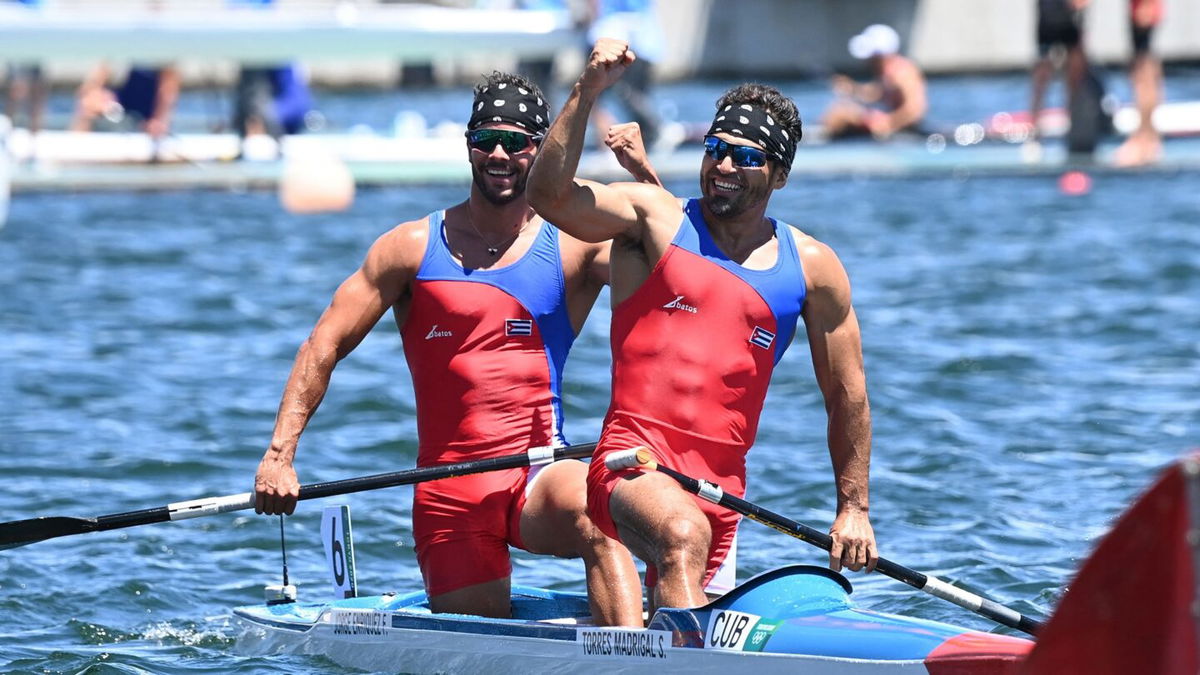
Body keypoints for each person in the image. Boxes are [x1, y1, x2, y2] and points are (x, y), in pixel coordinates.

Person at [253, 70, 657, 626]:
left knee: (598, 515)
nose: (499, 153)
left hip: (537, 471)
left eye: (516, 143)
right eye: (485, 139)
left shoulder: (574, 248)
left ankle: (630, 660)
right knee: (478, 641)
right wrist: (279, 456)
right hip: (446, 488)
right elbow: (324, 344)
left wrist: (644, 178)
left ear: (540, 151)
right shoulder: (410, 248)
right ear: (467, 146)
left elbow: (676, 272)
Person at [528, 39, 878, 612]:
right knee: (681, 536)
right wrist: (587, 90)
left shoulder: (815, 268)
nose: (724, 165)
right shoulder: (651, 216)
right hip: (629, 460)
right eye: (716, 148)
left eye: (746, 156)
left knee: (674, 600)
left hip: (723, 491)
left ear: (780, 175)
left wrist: (853, 509)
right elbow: (547, 195)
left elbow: (848, 396)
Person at [820, 24, 927, 141]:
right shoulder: (886, 74)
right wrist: (853, 89)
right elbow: (877, 93)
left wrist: (889, 123)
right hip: (889, 122)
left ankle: (821, 135)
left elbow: (915, 109)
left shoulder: (902, 73)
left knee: (842, 114)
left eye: (872, 57)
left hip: (901, 128)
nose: (867, 61)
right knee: (840, 110)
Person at [1027, 0, 1090, 155]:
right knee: (1042, 73)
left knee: (1074, 72)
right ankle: (1034, 131)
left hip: (1071, 16)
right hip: (1050, 13)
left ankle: (1074, 125)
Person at [71, 63, 180, 141]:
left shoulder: (162, 48)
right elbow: (92, 85)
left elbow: (168, 86)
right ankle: (75, 152)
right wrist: (95, 97)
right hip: (123, 107)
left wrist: (160, 120)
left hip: (148, 114)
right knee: (88, 104)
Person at [1113, 0, 1164, 167]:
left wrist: (1147, 6)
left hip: (1144, 8)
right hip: (1140, 8)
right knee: (1142, 68)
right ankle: (1147, 137)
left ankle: (1146, 138)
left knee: (1143, 72)